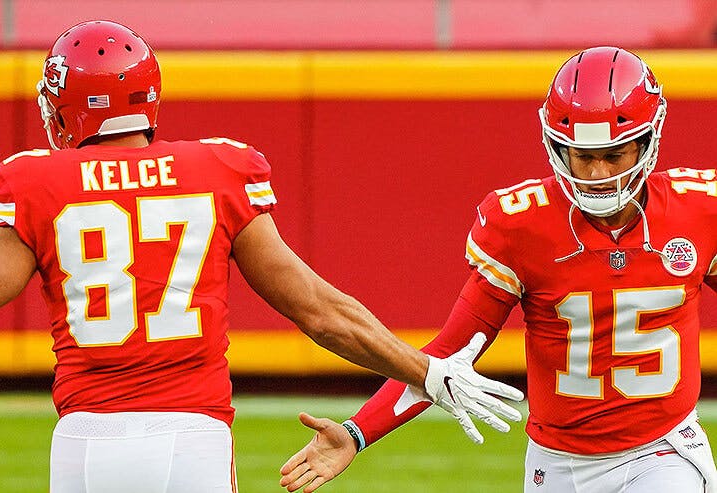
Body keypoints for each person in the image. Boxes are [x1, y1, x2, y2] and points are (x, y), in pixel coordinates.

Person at [0, 20, 525, 493]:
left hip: (86, 441)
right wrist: (425, 371)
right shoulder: (217, 172)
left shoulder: (33, 181)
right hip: (193, 439)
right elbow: (319, 311)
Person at [280, 46, 717, 493]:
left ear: (649, 142)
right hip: (557, 464)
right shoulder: (522, 225)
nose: (598, 172)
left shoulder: (699, 210)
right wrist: (357, 432)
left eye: (615, 153)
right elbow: (447, 354)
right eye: (583, 156)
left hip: (663, 453)